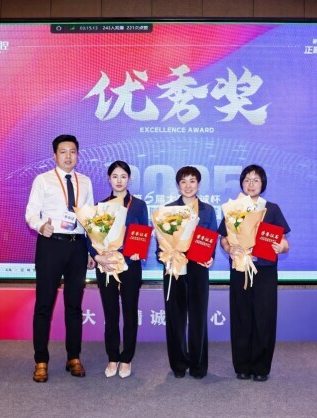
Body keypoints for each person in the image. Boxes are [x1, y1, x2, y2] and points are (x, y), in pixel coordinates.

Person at [25, 134, 95, 383]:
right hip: (51, 245)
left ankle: (73, 357)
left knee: (74, 305)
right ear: (54, 155)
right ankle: (41, 361)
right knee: (44, 305)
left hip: (77, 247)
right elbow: (30, 212)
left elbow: (89, 218)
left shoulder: (85, 181)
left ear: (78, 155)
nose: (68, 156)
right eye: (63, 152)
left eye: (72, 151)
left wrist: (91, 250)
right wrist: (40, 225)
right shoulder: (43, 180)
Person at [218, 164, 290, 382]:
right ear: (241, 183)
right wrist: (230, 249)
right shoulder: (233, 209)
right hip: (240, 268)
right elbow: (223, 238)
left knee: (264, 318)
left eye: (256, 180)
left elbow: (285, 242)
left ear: (263, 184)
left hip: (265, 271)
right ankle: (242, 365)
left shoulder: (272, 209)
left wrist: (281, 247)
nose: (251, 184)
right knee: (241, 316)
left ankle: (261, 368)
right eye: (247, 180)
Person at [89, 161, 148, 379]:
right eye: (115, 176)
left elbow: (143, 232)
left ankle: (126, 358)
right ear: (109, 179)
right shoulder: (100, 205)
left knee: (130, 312)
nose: (119, 180)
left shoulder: (139, 205)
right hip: (107, 265)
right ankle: (112, 357)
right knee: (111, 313)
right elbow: (90, 236)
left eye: (123, 176)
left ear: (129, 179)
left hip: (130, 265)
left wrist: (138, 252)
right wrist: (98, 256)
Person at [161, 166, 217, 379]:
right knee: (175, 318)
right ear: (178, 185)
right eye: (183, 181)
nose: (188, 185)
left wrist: (210, 256)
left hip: (198, 267)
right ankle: (178, 364)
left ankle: (198, 365)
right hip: (175, 266)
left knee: (198, 317)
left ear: (198, 185)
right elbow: (161, 241)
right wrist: (164, 254)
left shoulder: (208, 210)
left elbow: (211, 238)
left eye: (192, 181)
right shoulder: (168, 210)